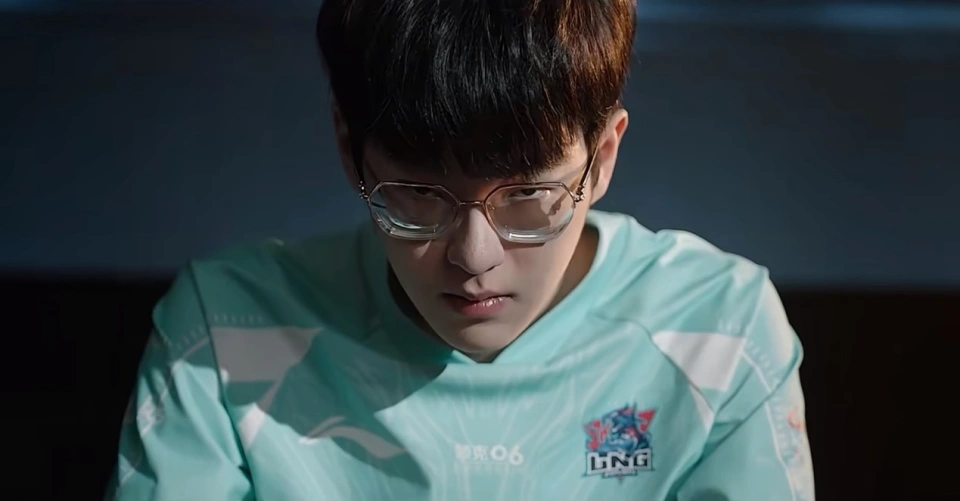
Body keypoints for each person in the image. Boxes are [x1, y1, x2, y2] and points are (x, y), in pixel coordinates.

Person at [106, 1, 815, 499]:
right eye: (418, 194)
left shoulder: (719, 335)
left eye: (528, 195)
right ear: (349, 149)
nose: (474, 257)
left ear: (602, 156)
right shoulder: (227, 334)